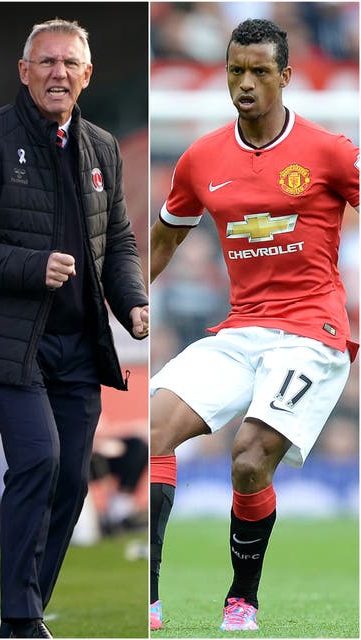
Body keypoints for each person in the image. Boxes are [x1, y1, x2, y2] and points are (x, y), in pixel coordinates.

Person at [0, 18, 149, 639]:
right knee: (38, 458)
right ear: (23, 72)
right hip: (8, 338)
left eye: (70, 64)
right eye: (46, 62)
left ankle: (26, 614)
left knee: (69, 481)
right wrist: (33, 267)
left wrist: (131, 299)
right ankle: (22, 622)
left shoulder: (102, 147)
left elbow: (119, 243)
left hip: (78, 341)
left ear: (88, 75)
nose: (59, 73)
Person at [149, 18, 359, 633]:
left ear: (286, 76)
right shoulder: (201, 157)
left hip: (311, 333)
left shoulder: (328, 151)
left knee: (247, 459)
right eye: (236, 71)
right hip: (241, 329)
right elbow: (166, 235)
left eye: (260, 72)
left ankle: (242, 599)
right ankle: (149, 600)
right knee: (154, 424)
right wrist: (129, 304)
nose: (246, 83)